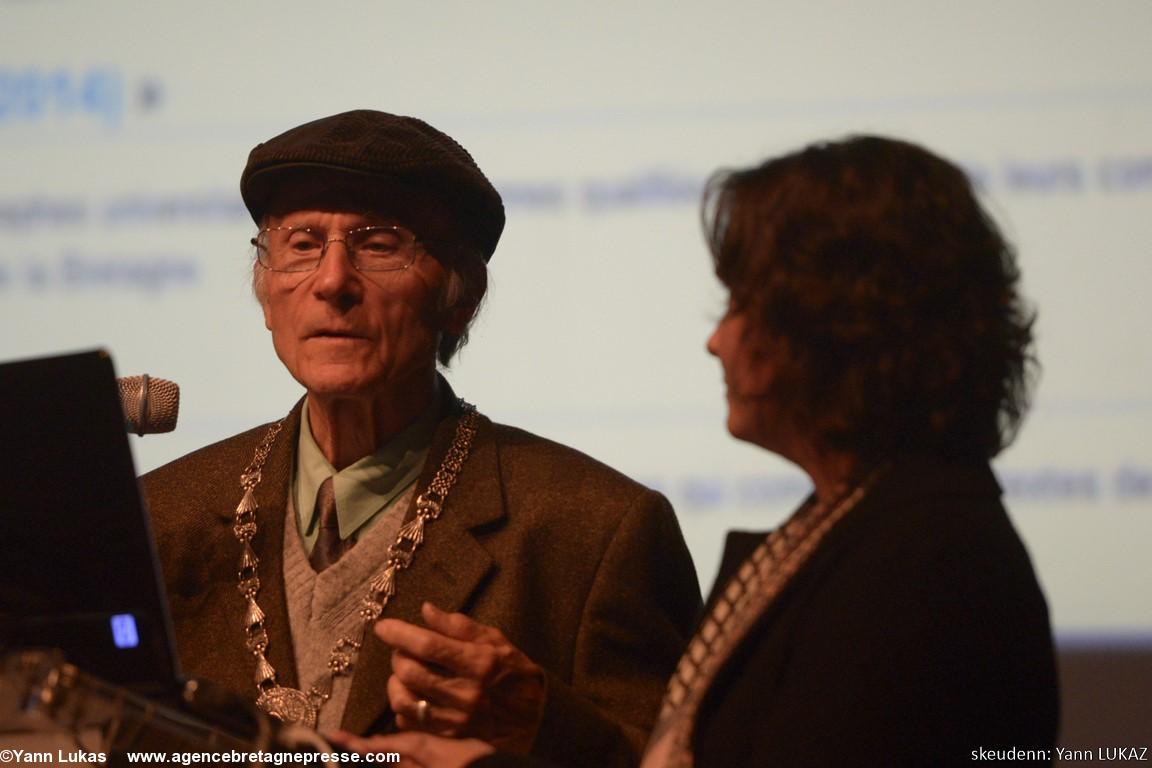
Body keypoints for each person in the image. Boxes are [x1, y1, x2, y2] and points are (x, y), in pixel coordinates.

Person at [340, 135, 1060, 766]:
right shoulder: (861, 525)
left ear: (839, 323)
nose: (717, 340)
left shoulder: (928, 561)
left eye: (740, 304)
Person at [140, 110, 702, 767]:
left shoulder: (595, 533)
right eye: (302, 244)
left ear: (461, 296)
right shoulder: (160, 520)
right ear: (266, 293)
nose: (332, 281)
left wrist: (544, 725)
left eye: (379, 244)